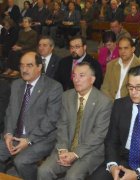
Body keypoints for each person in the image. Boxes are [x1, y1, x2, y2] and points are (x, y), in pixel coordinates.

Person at [38, 62, 112, 180]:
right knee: (43, 170)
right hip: (66, 147)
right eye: (74, 75)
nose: (76, 79)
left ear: (92, 79)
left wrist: (75, 154)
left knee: (72, 176)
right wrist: (62, 149)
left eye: (81, 75)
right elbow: (62, 125)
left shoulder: (104, 102)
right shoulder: (67, 96)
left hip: (90, 151)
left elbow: (98, 135)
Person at [0, 51, 63, 180]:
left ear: (39, 67)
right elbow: (10, 113)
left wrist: (29, 140)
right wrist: (8, 134)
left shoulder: (53, 87)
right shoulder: (16, 84)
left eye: (29, 65)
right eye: (22, 66)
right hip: (15, 135)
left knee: (21, 161)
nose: (24, 69)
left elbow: (51, 120)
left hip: (42, 137)